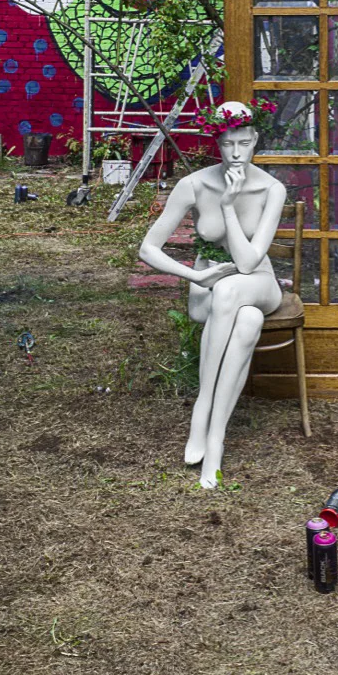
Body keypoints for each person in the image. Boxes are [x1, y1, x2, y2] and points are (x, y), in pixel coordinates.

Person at [139, 100, 285, 488]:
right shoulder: (194, 184)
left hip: (257, 281)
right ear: (216, 144)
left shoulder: (271, 189)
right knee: (246, 319)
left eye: (244, 143)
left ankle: (204, 419)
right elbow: (148, 248)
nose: (236, 153)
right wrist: (194, 275)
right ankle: (215, 433)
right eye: (227, 145)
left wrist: (228, 207)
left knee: (232, 289)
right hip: (209, 288)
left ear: (256, 140)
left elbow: (249, 262)